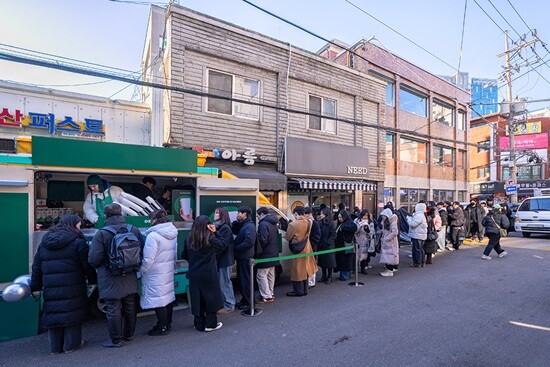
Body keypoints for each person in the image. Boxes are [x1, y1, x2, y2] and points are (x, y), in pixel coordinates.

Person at [30, 214, 97, 355]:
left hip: (50, 286)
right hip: (73, 286)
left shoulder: (44, 243)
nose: (80, 227)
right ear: (73, 225)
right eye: (79, 225)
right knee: (72, 314)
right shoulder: (78, 243)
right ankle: (71, 345)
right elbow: (87, 266)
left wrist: (35, 287)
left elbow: (36, 268)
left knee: (53, 313)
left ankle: (55, 348)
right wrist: (92, 280)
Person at [88, 203, 143, 348]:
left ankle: (116, 340)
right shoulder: (133, 229)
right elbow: (141, 251)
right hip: (130, 273)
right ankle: (129, 335)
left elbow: (94, 259)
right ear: (121, 213)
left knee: (113, 307)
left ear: (106, 215)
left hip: (110, 275)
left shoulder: (102, 233)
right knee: (130, 304)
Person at [182, 215, 226, 332]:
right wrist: (216, 232)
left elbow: (184, 255)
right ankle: (210, 324)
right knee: (211, 298)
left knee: (197, 299)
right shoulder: (210, 238)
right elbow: (223, 244)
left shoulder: (189, 239)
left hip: (194, 273)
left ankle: (198, 324)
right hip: (208, 273)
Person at [139, 209, 177, 336]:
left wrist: (142, 271)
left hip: (155, 272)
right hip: (167, 269)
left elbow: (148, 259)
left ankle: (161, 327)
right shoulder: (172, 232)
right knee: (167, 297)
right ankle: (168, 324)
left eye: (151, 219)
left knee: (158, 300)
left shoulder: (153, 236)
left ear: (155, 220)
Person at [284, 206, 318, 296]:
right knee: (305, 270)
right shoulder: (309, 222)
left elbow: (287, 237)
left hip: (297, 250)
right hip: (307, 248)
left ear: (296, 214)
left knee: (297, 271)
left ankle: (298, 291)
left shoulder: (293, 225)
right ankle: (304, 290)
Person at [232, 206, 257, 313]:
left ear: (245, 214)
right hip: (243, 257)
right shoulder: (244, 225)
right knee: (242, 280)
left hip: (246, 257)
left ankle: (249, 302)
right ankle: (245, 300)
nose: (237, 214)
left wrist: (236, 249)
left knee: (246, 280)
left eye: (239, 213)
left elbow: (249, 242)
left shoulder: (249, 226)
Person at [255, 207, 280, 303]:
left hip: (265, 254)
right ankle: (270, 293)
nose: (257, 218)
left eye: (257, 216)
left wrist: (258, 250)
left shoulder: (263, 224)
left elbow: (262, 240)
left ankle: (266, 296)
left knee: (261, 275)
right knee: (270, 274)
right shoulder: (274, 223)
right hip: (274, 252)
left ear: (261, 214)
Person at [214, 207, 236, 315]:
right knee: (223, 282)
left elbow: (222, 245)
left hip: (225, 260)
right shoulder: (220, 227)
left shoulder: (225, 228)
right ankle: (226, 304)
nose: (215, 214)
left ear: (222, 215)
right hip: (223, 259)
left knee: (225, 283)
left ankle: (229, 305)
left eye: (217, 213)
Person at [335, 210, 358, 280]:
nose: (339, 219)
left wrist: (343, 227)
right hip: (341, 246)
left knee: (346, 262)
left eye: (341, 217)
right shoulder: (340, 224)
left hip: (346, 245)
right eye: (338, 217)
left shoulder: (349, 223)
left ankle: (345, 276)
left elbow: (355, 227)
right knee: (343, 261)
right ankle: (344, 275)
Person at [317, 207, 337, 284]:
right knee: (322, 261)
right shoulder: (320, 222)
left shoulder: (331, 223)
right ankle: (323, 275)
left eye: (322, 213)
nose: (320, 215)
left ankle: (329, 276)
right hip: (321, 244)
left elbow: (333, 234)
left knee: (329, 262)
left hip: (329, 245)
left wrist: (328, 242)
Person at [378, 208, 399, 277]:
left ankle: (390, 271)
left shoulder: (392, 222)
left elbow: (395, 232)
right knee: (387, 255)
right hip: (387, 241)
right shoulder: (387, 221)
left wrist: (387, 238)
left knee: (390, 255)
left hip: (390, 241)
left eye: (384, 216)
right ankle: (388, 269)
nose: (382, 217)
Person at [354, 209, 375, 275]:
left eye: (366, 216)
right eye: (364, 215)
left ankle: (363, 268)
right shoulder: (356, 221)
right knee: (356, 254)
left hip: (365, 240)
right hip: (357, 239)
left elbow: (371, 234)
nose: (365, 217)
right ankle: (355, 268)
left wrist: (368, 231)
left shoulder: (370, 222)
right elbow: (354, 232)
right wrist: (359, 227)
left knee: (364, 255)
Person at [407, 202, 428, 267]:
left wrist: (408, 219)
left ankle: (417, 263)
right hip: (421, 235)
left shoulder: (418, 215)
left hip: (417, 235)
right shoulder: (423, 215)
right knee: (421, 249)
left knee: (416, 249)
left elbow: (412, 224)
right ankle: (422, 262)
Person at [304, 207, 321, 288]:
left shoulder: (314, 223)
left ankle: (311, 281)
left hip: (311, 246)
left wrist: (310, 242)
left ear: (310, 214)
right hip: (306, 246)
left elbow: (317, 236)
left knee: (311, 263)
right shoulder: (305, 222)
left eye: (305, 214)